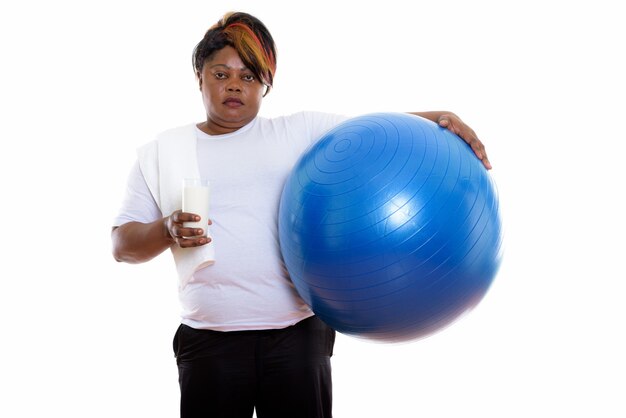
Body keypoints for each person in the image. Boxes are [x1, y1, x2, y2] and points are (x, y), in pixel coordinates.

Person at [111, 11, 492, 418]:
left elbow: (380, 134)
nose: (235, 85)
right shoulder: (162, 152)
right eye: (221, 74)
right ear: (199, 78)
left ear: (266, 85)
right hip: (209, 342)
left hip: (296, 339)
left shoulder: (300, 132)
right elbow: (122, 245)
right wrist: (167, 228)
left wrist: (444, 119)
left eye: (250, 76)